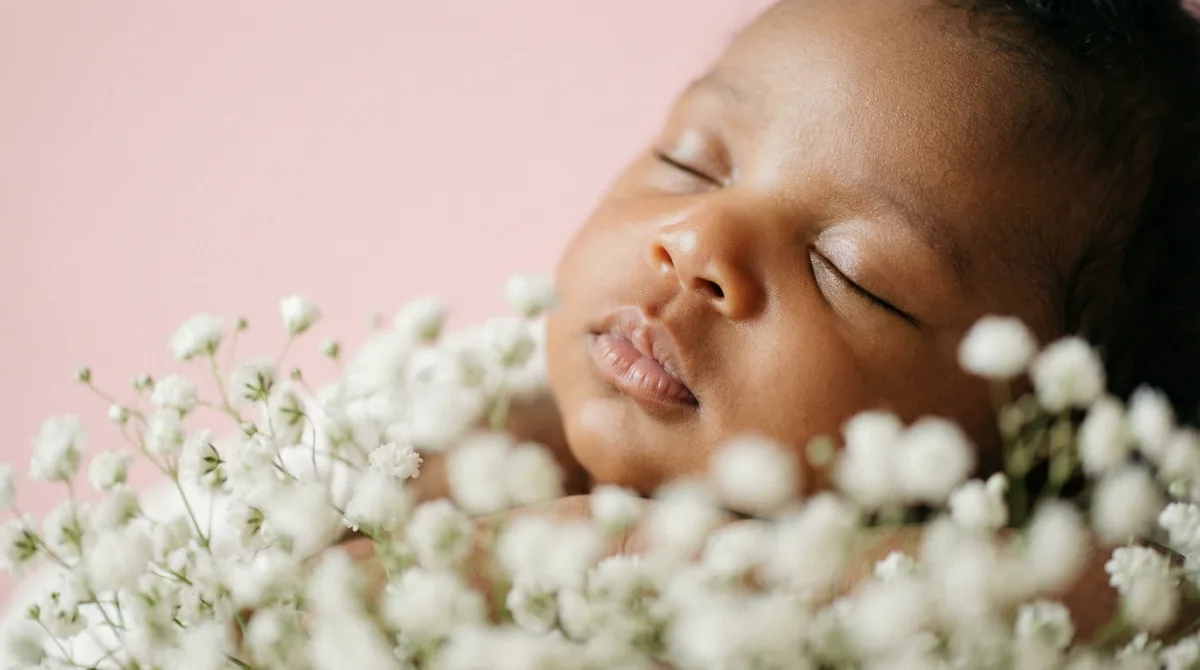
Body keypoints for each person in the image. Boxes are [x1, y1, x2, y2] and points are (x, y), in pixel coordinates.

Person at [350, 0, 1200, 639]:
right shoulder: (416, 431)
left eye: (851, 274)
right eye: (692, 160)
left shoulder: (1007, 615)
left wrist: (622, 553)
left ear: (1037, 451)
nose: (694, 241)